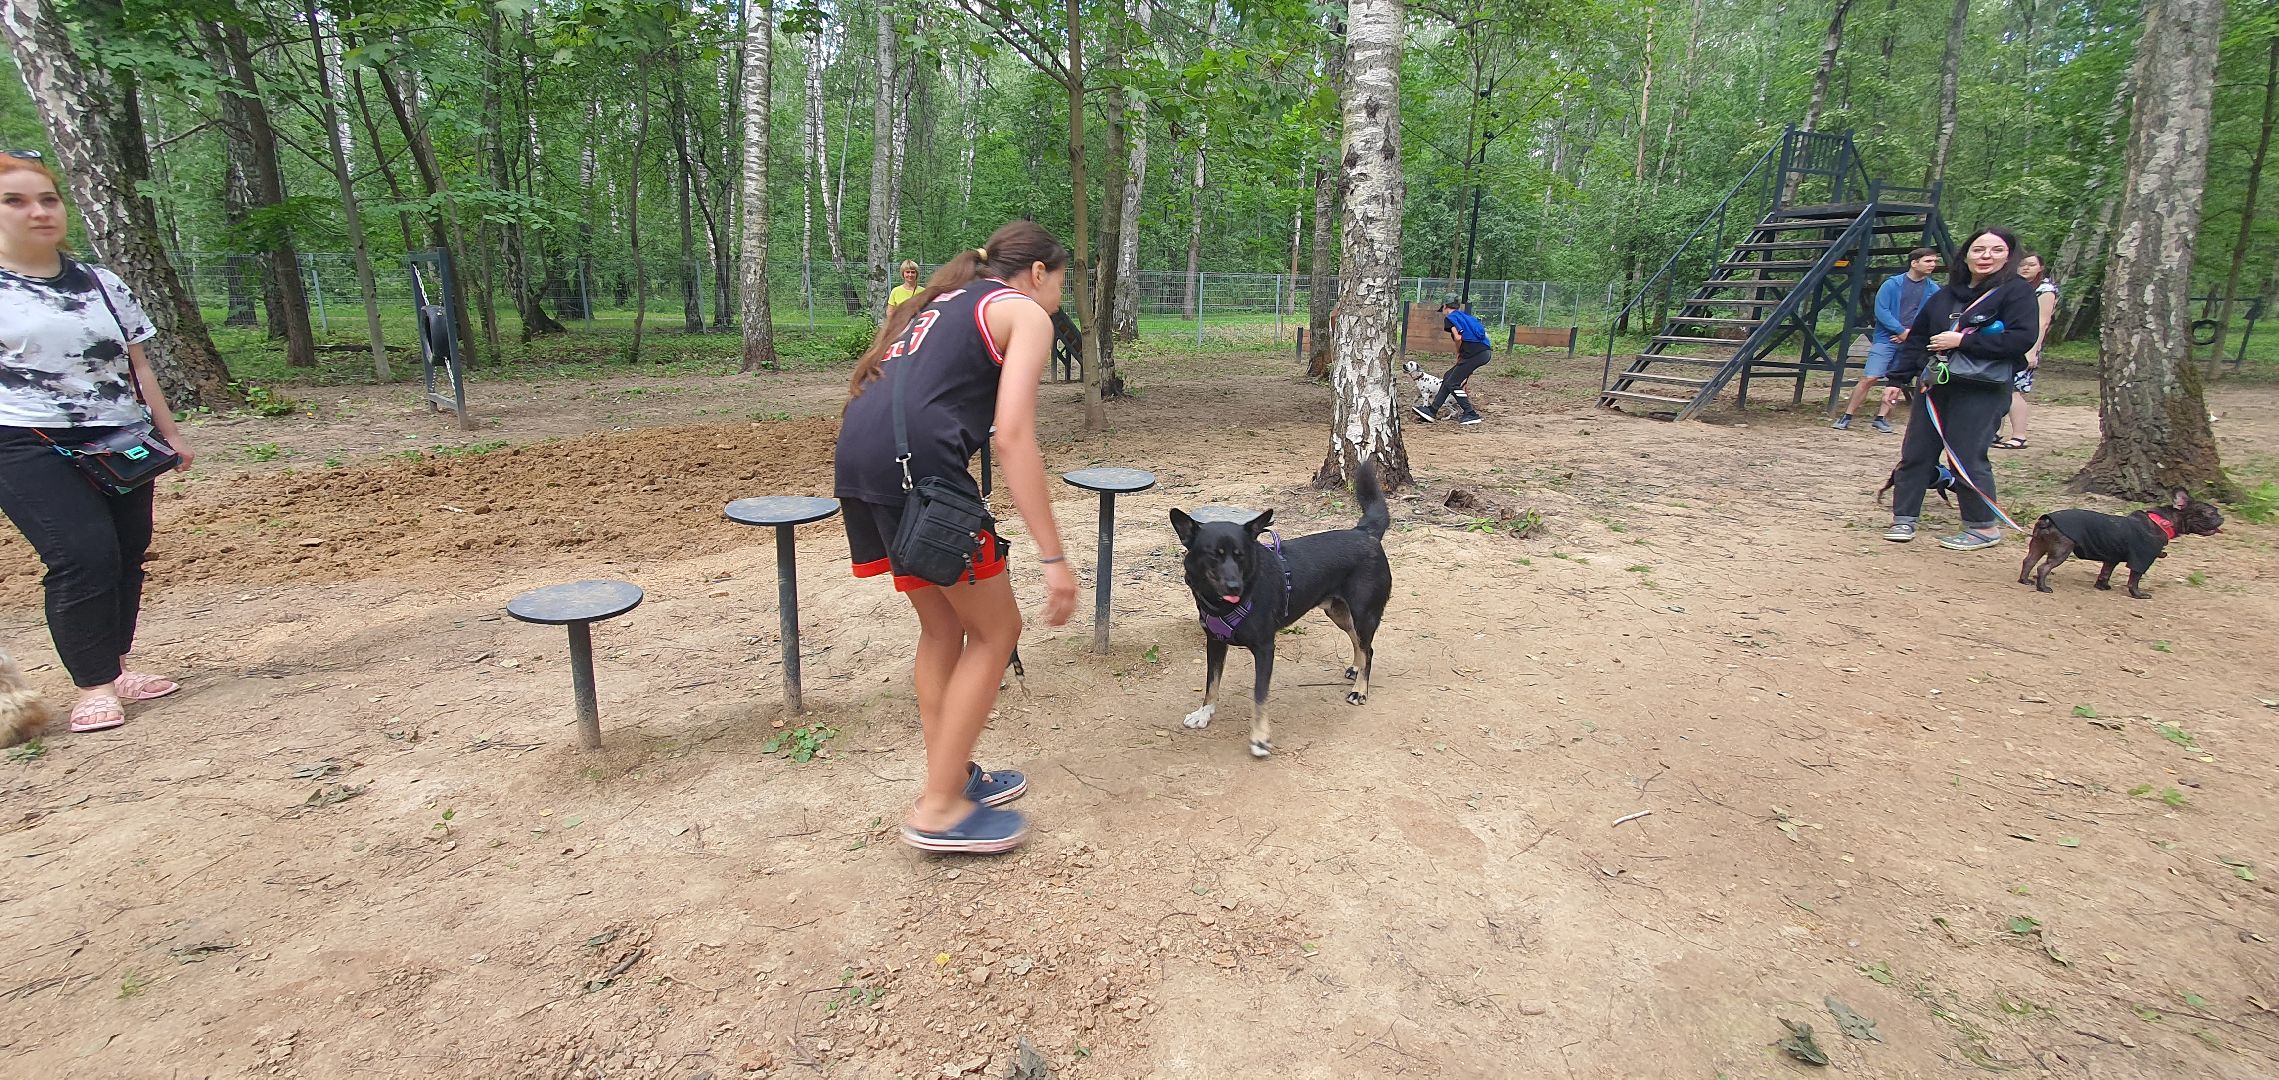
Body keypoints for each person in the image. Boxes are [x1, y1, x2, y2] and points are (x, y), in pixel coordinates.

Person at [834, 221, 1078, 855]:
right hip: (920, 473)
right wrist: (1054, 558)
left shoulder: (942, 301)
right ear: (1038, 274)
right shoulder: (1023, 312)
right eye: (1062, 283)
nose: (1059, 298)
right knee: (997, 630)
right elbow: (1012, 437)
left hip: (861, 461)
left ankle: (951, 775)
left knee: (944, 628)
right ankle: (939, 807)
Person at [0, 151, 193, 734]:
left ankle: (117, 664)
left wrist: (169, 432)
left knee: (125, 551)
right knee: (81, 554)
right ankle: (93, 685)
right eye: (16, 201)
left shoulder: (101, 283)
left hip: (117, 438)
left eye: (48, 199)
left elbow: (139, 366)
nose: (38, 212)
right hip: (24, 441)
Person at [1881, 226, 2042, 551]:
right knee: (1916, 452)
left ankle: (1981, 527)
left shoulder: (2015, 292)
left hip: (1982, 388)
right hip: (1937, 386)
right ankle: (1904, 517)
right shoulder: (1945, 295)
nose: (1986, 256)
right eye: (1979, 249)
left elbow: (2021, 338)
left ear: (2009, 256)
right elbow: (1918, 339)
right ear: (1966, 255)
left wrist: (1964, 340)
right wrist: (1896, 380)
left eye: (1996, 250)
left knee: (1967, 455)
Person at [1836, 247, 1941, 433]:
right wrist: (1900, 330)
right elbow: (1881, 310)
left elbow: (1931, 315)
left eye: (1934, 261)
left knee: (1897, 379)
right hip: (1886, 339)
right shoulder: (1892, 284)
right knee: (1870, 377)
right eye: (1928, 261)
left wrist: (1911, 334)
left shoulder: (1933, 289)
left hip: (1911, 342)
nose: (1933, 265)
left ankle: (1881, 418)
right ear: (1914, 262)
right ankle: (1847, 415)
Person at [1994, 252, 2058, 450]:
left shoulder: (2045, 289)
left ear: (2040, 268)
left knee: (2014, 391)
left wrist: (2032, 351)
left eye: (2031, 265)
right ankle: (1994, 432)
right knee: (1998, 387)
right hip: (2006, 343)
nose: (2025, 268)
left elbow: (2042, 322)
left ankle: (2019, 436)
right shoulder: (2013, 287)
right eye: (2022, 264)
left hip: (2026, 345)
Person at [1412, 295, 1488, 425]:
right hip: (1484, 352)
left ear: (1445, 307)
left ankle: (1470, 413)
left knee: (1453, 382)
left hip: (1473, 354)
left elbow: (1458, 338)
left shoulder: (1450, 318)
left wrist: (1460, 353)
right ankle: (1432, 410)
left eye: (1442, 309)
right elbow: (1484, 335)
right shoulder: (1467, 317)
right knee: (1448, 377)